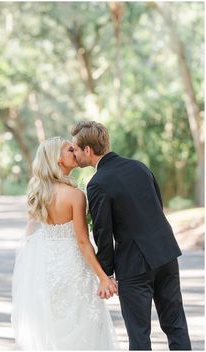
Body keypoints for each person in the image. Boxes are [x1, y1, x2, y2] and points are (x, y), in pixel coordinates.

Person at [71, 120, 192, 351]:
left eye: (76, 149)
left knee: (139, 336)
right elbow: (157, 206)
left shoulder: (97, 184)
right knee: (176, 325)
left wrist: (105, 275)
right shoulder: (139, 167)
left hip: (135, 265)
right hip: (166, 254)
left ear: (87, 150)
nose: (75, 154)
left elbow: (103, 234)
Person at [11, 136, 119, 350]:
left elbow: (30, 232)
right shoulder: (75, 195)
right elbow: (82, 240)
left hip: (45, 268)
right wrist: (103, 277)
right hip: (72, 267)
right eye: (70, 150)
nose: (76, 152)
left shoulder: (38, 192)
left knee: (53, 325)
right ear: (58, 160)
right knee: (81, 324)